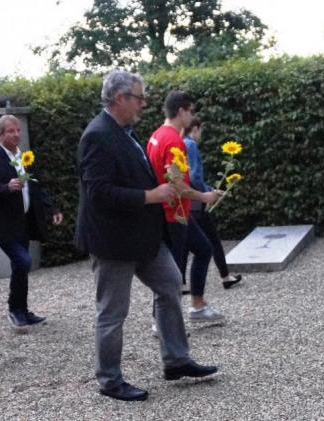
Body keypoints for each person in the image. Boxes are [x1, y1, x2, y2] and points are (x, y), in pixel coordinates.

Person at [75, 70, 218, 402]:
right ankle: (109, 380)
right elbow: (98, 193)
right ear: (120, 98)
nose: (144, 104)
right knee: (112, 311)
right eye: (139, 98)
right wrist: (150, 196)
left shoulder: (125, 132)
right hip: (113, 240)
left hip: (142, 236)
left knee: (169, 283)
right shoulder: (97, 135)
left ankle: (176, 360)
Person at [0, 114, 63, 330]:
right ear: (0, 135)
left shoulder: (25, 158)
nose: (16, 134)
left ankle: (21, 310)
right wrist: (5, 187)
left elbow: (36, 187)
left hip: (24, 223)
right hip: (3, 226)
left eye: (17, 130)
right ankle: (14, 309)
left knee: (20, 266)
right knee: (23, 262)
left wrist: (52, 209)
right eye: (10, 131)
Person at [146, 91, 223, 322]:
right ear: (181, 111)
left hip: (178, 213)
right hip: (173, 215)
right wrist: (205, 196)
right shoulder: (172, 140)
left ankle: (197, 307)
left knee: (203, 249)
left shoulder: (158, 135)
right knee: (172, 272)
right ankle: (161, 322)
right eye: (191, 111)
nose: (193, 116)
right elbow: (177, 185)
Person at [183, 118, 242, 289]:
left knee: (186, 244)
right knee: (212, 240)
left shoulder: (180, 142)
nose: (201, 135)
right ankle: (225, 277)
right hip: (197, 200)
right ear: (195, 128)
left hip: (187, 198)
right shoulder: (191, 145)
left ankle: (180, 283)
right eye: (201, 130)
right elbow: (194, 175)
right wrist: (207, 192)